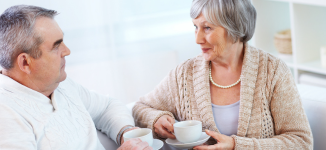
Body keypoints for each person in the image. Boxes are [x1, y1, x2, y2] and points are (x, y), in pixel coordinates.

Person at [132, 0, 313, 149]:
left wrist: (236, 145)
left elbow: (301, 142)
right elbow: (140, 107)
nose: (197, 39)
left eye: (207, 28)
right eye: (195, 27)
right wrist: (156, 120)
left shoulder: (272, 71)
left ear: (234, 27)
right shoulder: (184, 74)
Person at [0, 5, 151, 150]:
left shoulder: (58, 86)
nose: (67, 51)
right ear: (25, 63)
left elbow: (107, 107)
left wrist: (126, 133)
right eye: (56, 46)